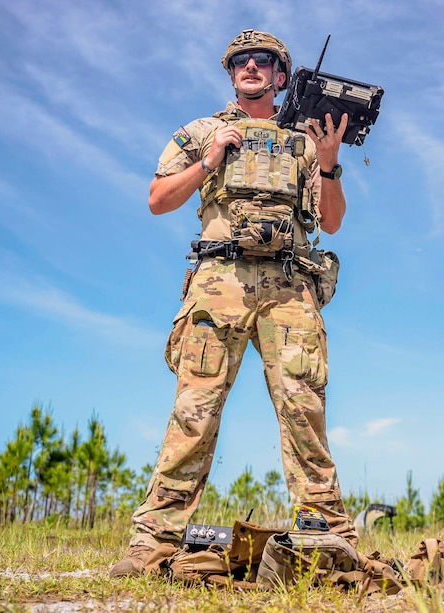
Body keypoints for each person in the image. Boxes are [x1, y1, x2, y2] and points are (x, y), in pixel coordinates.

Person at [111, 29, 354, 578]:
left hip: (289, 289)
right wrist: (211, 158)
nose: (250, 67)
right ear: (231, 74)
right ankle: (155, 541)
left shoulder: (305, 141)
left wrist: (331, 162)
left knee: (304, 412)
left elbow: (333, 221)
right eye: (240, 61)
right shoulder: (202, 132)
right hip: (218, 281)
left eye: (262, 61)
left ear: (280, 75)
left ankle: (328, 538)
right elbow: (157, 199)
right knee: (193, 413)